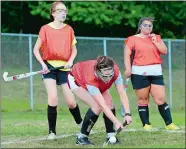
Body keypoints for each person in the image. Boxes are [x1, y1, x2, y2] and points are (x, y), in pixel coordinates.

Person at [33, 1, 83, 140]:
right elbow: (36, 49)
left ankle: (81, 125)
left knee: (71, 102)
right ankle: (52, 132)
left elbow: (74, 49)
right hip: (49, 67)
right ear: (53, 13)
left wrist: (70, 61)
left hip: (64, 68)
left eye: (65, 11)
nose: (64, 13)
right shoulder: (45, 29)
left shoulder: (69, 29)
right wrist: (43, 64)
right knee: (53, 98)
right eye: (61, 10)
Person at [124, 17, 179, 131]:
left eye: (150, 25)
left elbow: (164, 51)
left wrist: (155, 42)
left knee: (160, 99)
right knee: (143, 99)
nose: (148, 27)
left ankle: (169, 123)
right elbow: (127, 54)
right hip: (139, 72)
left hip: (156, 72)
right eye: (145, 25)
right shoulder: (132, 39)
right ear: (140, 27)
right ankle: (146, 124)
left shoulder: (156, 37)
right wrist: (128, 69)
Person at [67, 56, 132, 145]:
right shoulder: (91, 78)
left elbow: (122, 93)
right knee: (97, 106)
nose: (108, 79)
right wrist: (116, 122)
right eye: (105, 76)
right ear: (98, 71)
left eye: (110, 75)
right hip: (77, 80)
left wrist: (127, 113)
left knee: (110, 103)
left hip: (96, 81)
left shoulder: (116, 71)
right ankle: (81, 137)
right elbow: (102, 105)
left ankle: (111, 135)